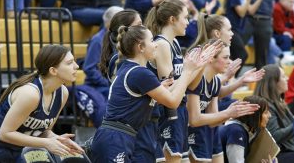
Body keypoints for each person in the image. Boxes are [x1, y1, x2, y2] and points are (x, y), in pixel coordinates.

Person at [90, 25, 213, 162]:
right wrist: (187, 71)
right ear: (140, 47)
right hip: (115, 138)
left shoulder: (131, 68)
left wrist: (197, 66)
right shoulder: (140, 73)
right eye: (152, 41)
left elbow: (168, 95)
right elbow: (172, 102)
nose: (156, 45)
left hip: (118, 136)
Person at [188, 12, 265, 163]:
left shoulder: (213, 79)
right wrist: (229, 111)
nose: (232, 33)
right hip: (190, 133)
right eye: (229, 29)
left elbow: (214, 98)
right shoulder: (197, 73)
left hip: (208, 129)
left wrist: (238, 83)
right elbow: (195, 118)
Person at [144, 0, 209, 163]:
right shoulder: (162, 44)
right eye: (185, 17)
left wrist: (200, 65)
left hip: (180, 112)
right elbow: (169, 92)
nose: (188, 22)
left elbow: (189, 85)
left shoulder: (174, 43)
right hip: (167, 114)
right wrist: (190, 70)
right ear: (172, 19)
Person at [0, 45, 87, 162]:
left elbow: (42, 131)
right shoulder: (30, 94)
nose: (77, 66)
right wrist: (47, 143)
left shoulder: (63, 93)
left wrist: (56, 139)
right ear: (53, 71)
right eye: (70, 63)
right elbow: (4, 134)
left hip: (16, 151)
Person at [73, 6, 124, 128]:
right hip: (97, 86)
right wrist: (109, 83)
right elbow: (89, 68)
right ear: (111, 23)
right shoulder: (97, 40)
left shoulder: (120, 40)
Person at [254, 64, 294, 163]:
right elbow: (275, 136)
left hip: (288, 149)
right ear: (273, 82)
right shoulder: (265, 105)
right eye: (283, 76)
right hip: (275, 155)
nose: (287, 78)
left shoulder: (279, 101)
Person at [224, 0, 269, 76]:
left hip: (238, 30)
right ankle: (230, 77)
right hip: (231, 30)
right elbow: (241, 13)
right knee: (242, 54)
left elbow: (251, 11)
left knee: (236, 55)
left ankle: (229, 78)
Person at [220, 95, 271, 163]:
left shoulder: (248, 130)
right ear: (254, 115)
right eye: (265, 112)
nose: (270, 115)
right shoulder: (236, 132)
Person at [99, 9, 143, 82]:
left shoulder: (128, 52)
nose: (143, 28)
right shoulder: (120, 59)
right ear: (124, 29)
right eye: (139, 24)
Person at [241, 0, 274, 69]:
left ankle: (260, 81)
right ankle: (229, 78)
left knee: (262, 57)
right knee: (238, 49)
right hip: (248, 18)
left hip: (265, 20)